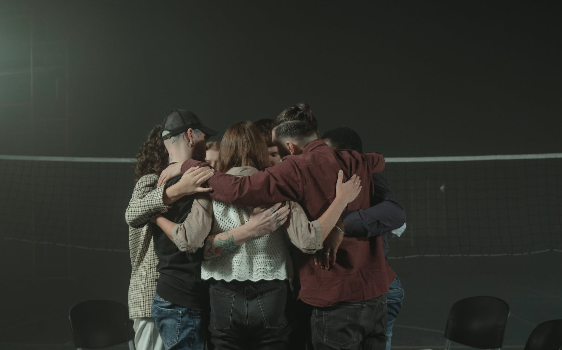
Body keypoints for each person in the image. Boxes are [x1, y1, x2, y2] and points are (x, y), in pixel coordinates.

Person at [162, 103, 397, 350]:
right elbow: (378, 161)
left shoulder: (280, 175)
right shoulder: (349, 162)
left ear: (290, 147)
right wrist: (341, 205)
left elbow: (231, 196)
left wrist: (185, 172)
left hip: (236, 294)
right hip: (361, 294)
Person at [124, 125, 215, 350]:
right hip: (151, 291)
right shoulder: (151, 181)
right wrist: (179, 189)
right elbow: (132, 213)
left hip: (179, 294)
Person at [321, 126, 407, 350]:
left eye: (328, 153)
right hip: (346, 288)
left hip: (374, 287)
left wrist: (337, 225)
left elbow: (395, 213)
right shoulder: (319, 179)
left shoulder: (368, 177)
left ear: (348, 154)